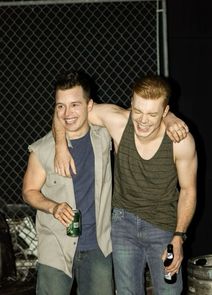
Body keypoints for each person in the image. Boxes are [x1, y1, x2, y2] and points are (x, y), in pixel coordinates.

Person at [54, 73, 197, 295]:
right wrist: (61, 145)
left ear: (165, 112)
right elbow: (66, 112)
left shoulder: (181, 142)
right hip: (123, 222)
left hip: (163, 226)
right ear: (131, 104)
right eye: (138, 111)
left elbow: (189, 191)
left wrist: (178, 237)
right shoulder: (119, 122)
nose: (142, 120)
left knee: (169, 291)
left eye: (152, 114)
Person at [22, 70, 114, 295]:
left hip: (98, 245)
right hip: (56, 248)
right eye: (60, 106)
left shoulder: (104, 137)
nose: (67, 113)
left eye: (75, 105)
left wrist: (168, 118)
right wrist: (52, 206)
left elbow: (141, 116)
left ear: (89, 105)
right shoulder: (42, 149)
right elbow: (29, 191)